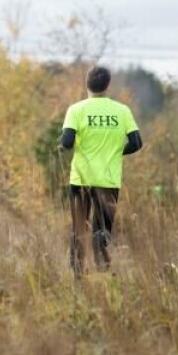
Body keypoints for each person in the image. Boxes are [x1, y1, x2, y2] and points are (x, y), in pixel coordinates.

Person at [59, 65, 143, 277]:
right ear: (107, 85)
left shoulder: (76, 110)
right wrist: (116, 151)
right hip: (108, 180)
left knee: (79, 227)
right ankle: (103, 270)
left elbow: (67, 142)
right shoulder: (122, 111)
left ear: (87, 84)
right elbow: (136, 142)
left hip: (81, 180)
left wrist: (62, 145)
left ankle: (78, 274)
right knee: (102, 229)